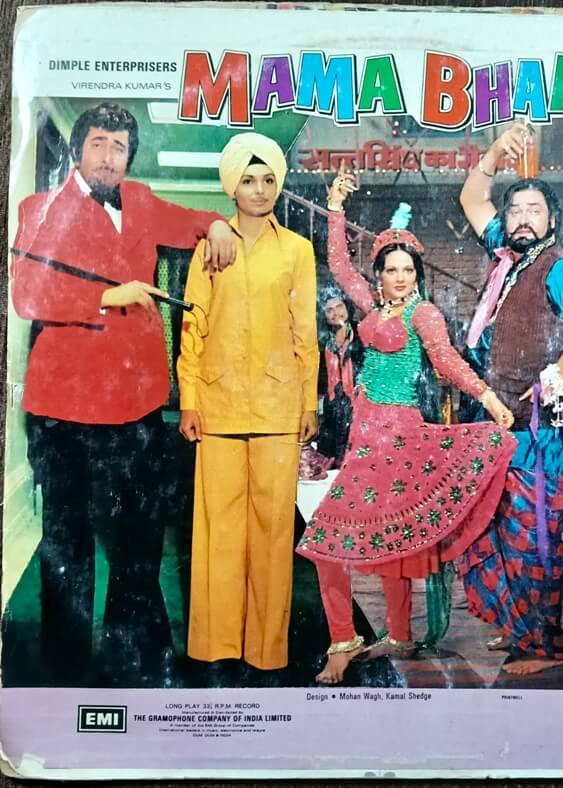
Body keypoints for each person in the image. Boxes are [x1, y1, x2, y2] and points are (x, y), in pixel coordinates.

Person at [10, 102, 237, 685]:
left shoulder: (139, 199)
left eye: (119, 147)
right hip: (63, 412)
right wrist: (106, 297)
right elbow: (27, 293)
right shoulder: (40, 208)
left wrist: (214, 224)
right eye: (99, 144)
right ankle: (62, 673)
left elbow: (189, 220)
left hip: (135, 407)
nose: (109, 157)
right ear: (78, 150)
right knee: (69, 544)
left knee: (138, 544)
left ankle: (137, 663)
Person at [297, 169, 517, 685]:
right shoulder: (373, 306)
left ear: (417, 273)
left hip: (399, 437)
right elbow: (338, 264)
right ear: (379, 274)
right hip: (363, 438)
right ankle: (376, 636)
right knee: (367, 541)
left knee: (341, 542)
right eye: (391, 269)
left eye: (408, 269)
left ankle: (364, 639)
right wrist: (336, 208)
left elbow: (447, 362)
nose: (400, 277)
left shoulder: (424, 314)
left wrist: (487, 397)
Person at [456, 123, 563, 676]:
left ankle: (544, 647)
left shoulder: (558, 267)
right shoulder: (508, 256)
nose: (522, 218)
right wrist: (497, 151)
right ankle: (520, 626)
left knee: (535, 542)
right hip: (502, 427)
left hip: (542, 433)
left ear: (552, 221)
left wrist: (558, 374)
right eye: (515, 209)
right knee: (496, 533)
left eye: (533, 211)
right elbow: (472, 198)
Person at [177, 132, 318, 672]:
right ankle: (216, 647)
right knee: (219, 531)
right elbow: (194, 326)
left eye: (268, 180)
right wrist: (189, 399)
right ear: (231, 188)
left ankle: (266, 651)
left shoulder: (297, 250)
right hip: (218, 405)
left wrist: (309, 402)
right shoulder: (210, 247)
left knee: (274, 533)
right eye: (248, 180)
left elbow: (305, 330)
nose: (259, 190)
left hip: (280, 407)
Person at [316, 286, 363, 467]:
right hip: (333, 403)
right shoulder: (321, 342)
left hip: (358, 401)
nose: (336, 313)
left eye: (339, 306)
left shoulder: (361, 332)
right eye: (329, 310)